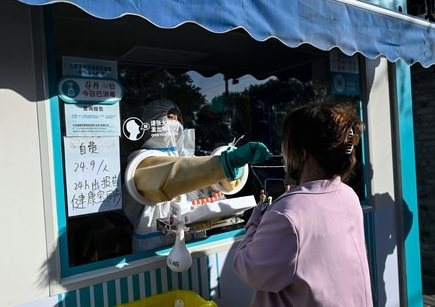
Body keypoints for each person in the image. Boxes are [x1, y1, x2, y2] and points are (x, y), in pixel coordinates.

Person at [233, 101, 373, 306]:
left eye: (285, 143)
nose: (282, 150)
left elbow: (248, 269)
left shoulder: (287, 213)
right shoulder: (348, 195)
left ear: (302, 153)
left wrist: (258, 217)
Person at [124, 98, 273, 252]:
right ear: (152, 122)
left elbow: (209, 179)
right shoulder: (142, 161)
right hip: (153, 246)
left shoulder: (187, 158)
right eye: (169, 117)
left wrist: (234, 171)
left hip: (193, 242)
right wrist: (224, 163)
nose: (174, 121)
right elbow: (172, 174)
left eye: (177, 117)